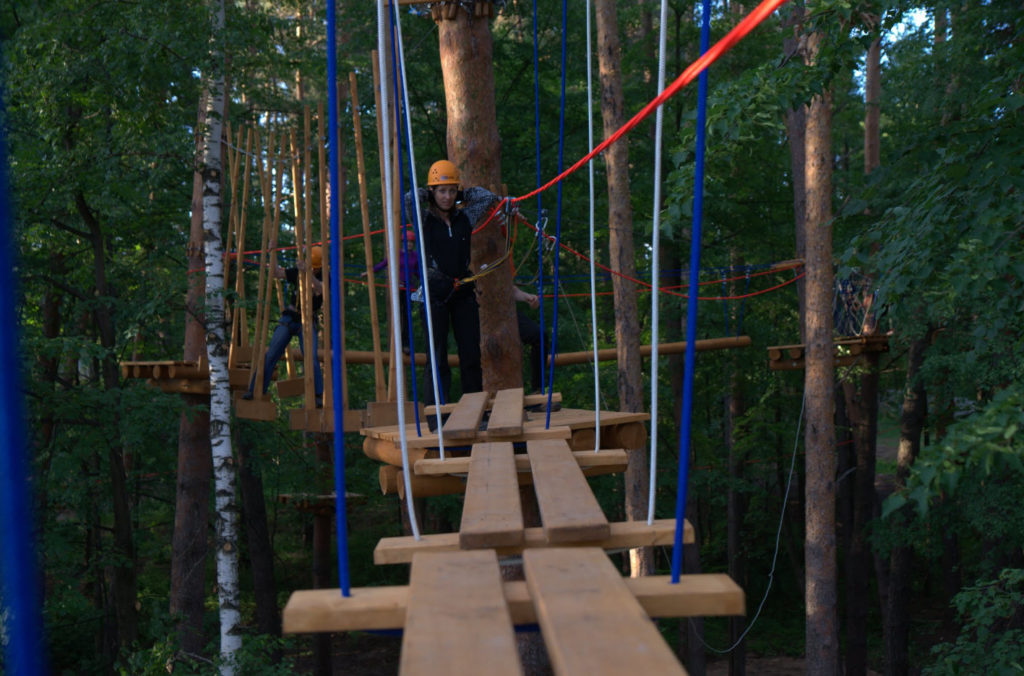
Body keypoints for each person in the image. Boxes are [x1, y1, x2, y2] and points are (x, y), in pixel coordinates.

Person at [416, 159, 482, 408]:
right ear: (432, 192)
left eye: (452, 191)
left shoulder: (465, 217)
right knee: (437, 356)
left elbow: (486, 198)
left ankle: (476, 408)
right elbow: (407, 200)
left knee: (471, 354)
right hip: (435, 293)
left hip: (462, 291)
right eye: (441, 191)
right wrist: (426, 192)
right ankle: (437, 413)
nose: (447, 196)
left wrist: (463, 193)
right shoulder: (423, 219)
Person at [243, 245, 324, 404]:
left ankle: (317, 395)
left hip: (307, 321)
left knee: (311, 358)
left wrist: (307, 272)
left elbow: (320, 289)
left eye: (314, 268)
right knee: (271, 354)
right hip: (290, 318)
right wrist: (272, 253)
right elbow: (276, 273)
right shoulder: (298, 271)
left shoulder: (323, 276)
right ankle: (255, 389)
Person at [364, 229, 420, 353]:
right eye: (407, 242)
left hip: (408, 289)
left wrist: (425, 282)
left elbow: (417, 272)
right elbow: (383, 264)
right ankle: (395, 342)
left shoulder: (415, 256)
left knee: (407, 316)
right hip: (397, 288)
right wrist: (369, 272)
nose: (410, 244)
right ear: (402, 242)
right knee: (396, 314)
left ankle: (406, 344)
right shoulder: (397, 254)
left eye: (411, 242)